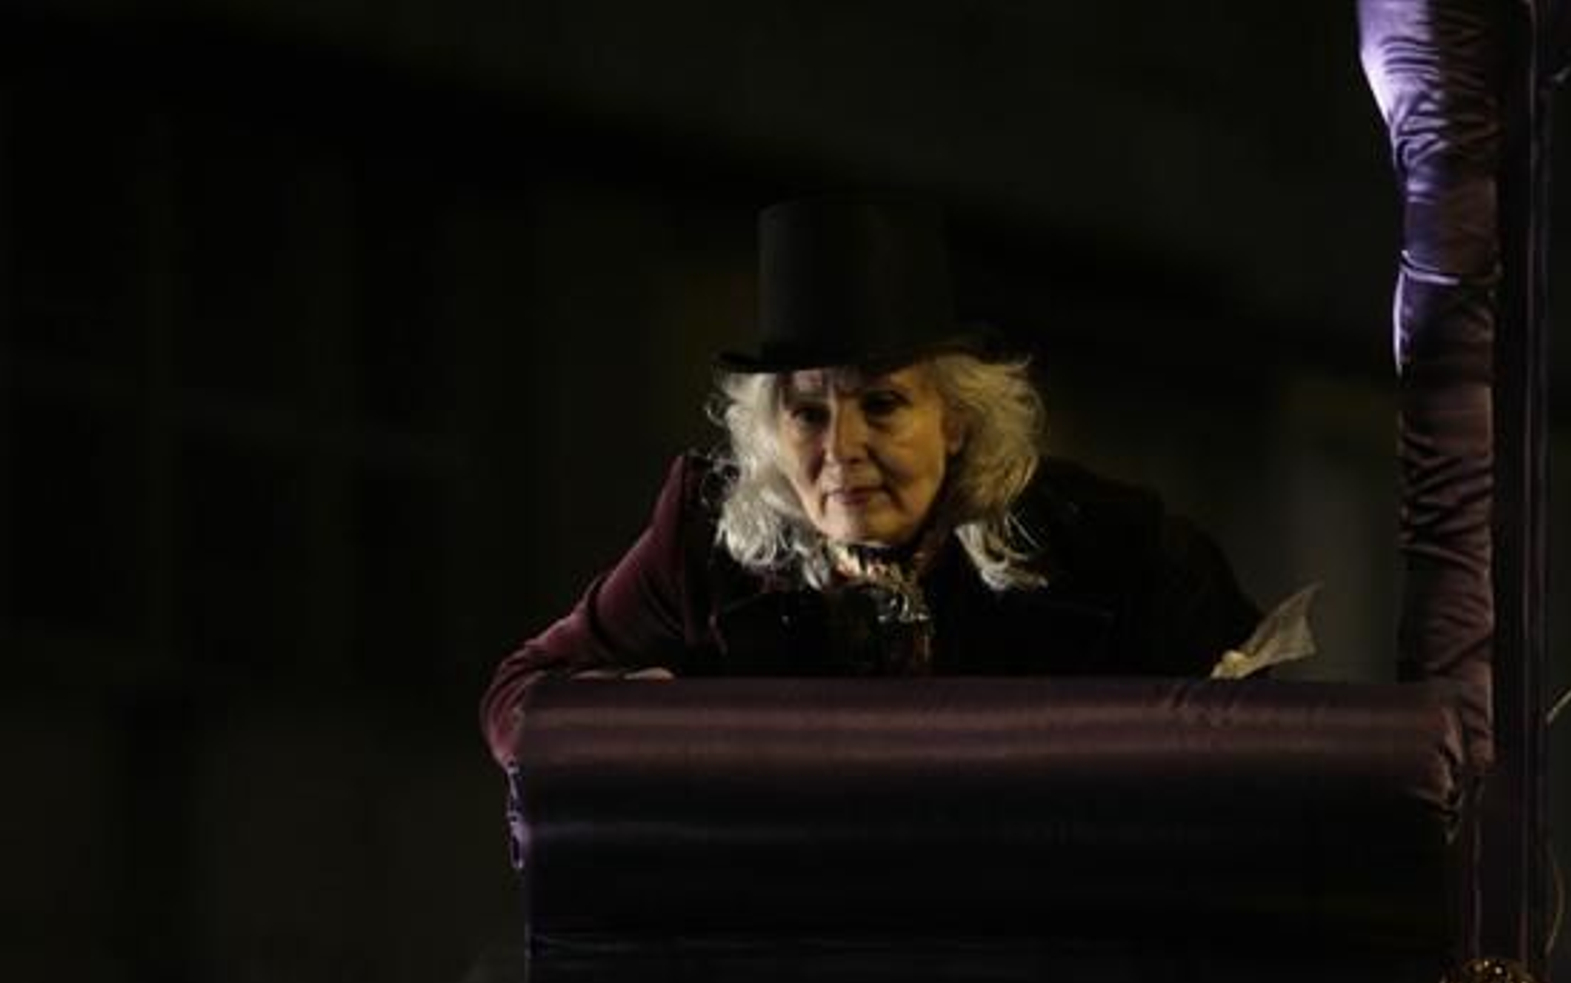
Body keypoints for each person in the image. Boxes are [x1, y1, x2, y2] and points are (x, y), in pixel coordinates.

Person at [481, 196, 1260, 765]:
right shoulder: (700, 537)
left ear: (956, 419)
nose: (841, 448)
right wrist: (633, 714)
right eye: (808, 412)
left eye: (881, 405)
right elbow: (516, 697)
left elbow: (1250, 723)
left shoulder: (1105, 539)